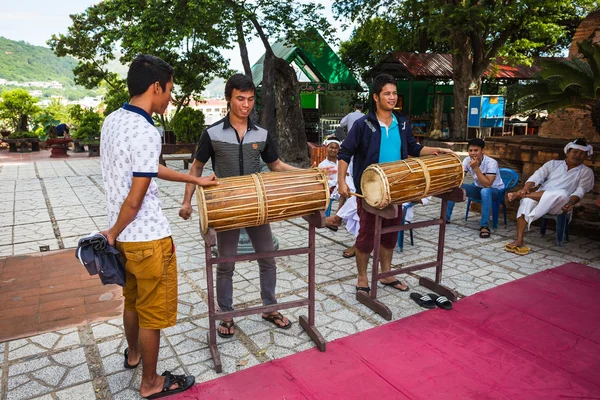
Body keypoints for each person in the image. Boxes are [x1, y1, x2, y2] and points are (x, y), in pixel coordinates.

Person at [99, 54, 219, 399]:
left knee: (132, 300)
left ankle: (133, 355)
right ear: (156, 87)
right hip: (148, 237)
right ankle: (151, 382)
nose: (170, 96)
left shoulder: (113, 121)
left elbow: (146, 169)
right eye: (169, 90)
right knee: (152, 312)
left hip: (125, 240)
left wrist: (194, 179)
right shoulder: (147, 130)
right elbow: (135, 200)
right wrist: (112, 230)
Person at [179, 74, 329, 338]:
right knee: (225, 263)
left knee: (268, 258)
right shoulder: (212, 133)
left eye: (250, 99)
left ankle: (270, 307)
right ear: (229, 99)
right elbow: (197, 167)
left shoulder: (262, 133)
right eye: (240, 98)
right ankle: (226, 315)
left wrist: (307, 175)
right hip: (227, 207)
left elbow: (277, 165)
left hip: (259, 205)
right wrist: (187, 201)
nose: (245, 105)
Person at [337, 73, 454, 294]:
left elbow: (413, 148)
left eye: (394, 93)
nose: (392, 98)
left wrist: (435, 150)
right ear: (376, 97)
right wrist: (342, 181)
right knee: (366, 236)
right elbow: (345, 153)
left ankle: (387, 274)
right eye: (387, 93)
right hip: (370, 190)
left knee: (391, 233)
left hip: (396, 189)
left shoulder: (402, 123)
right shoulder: (363, 125)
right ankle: (362, 278)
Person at [506, 138, 594, 255]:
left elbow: (580, 191)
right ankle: (519, 239)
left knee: (562, 193)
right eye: (575, 152)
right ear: (567, 152)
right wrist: (526, 188)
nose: (578, 155)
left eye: (581, 153)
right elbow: (536, 177)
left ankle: (521, 195)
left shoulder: (586, 172)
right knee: (526, 202)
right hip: (539, 198)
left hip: (560, 204)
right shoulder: (553, 164)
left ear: (585, 156)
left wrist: (571, 203)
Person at [445, 138, 505, 238]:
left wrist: (476, 168)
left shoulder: (491, 163)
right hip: (478, 189)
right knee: (455, 187)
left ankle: (484, 226)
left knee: (485, 191)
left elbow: (488, 185)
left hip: (495, 191)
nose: (473, 153)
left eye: (476, 150)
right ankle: (446, 217)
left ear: (483, 151)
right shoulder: (467, 160)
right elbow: (460, 178)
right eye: (470, 150)